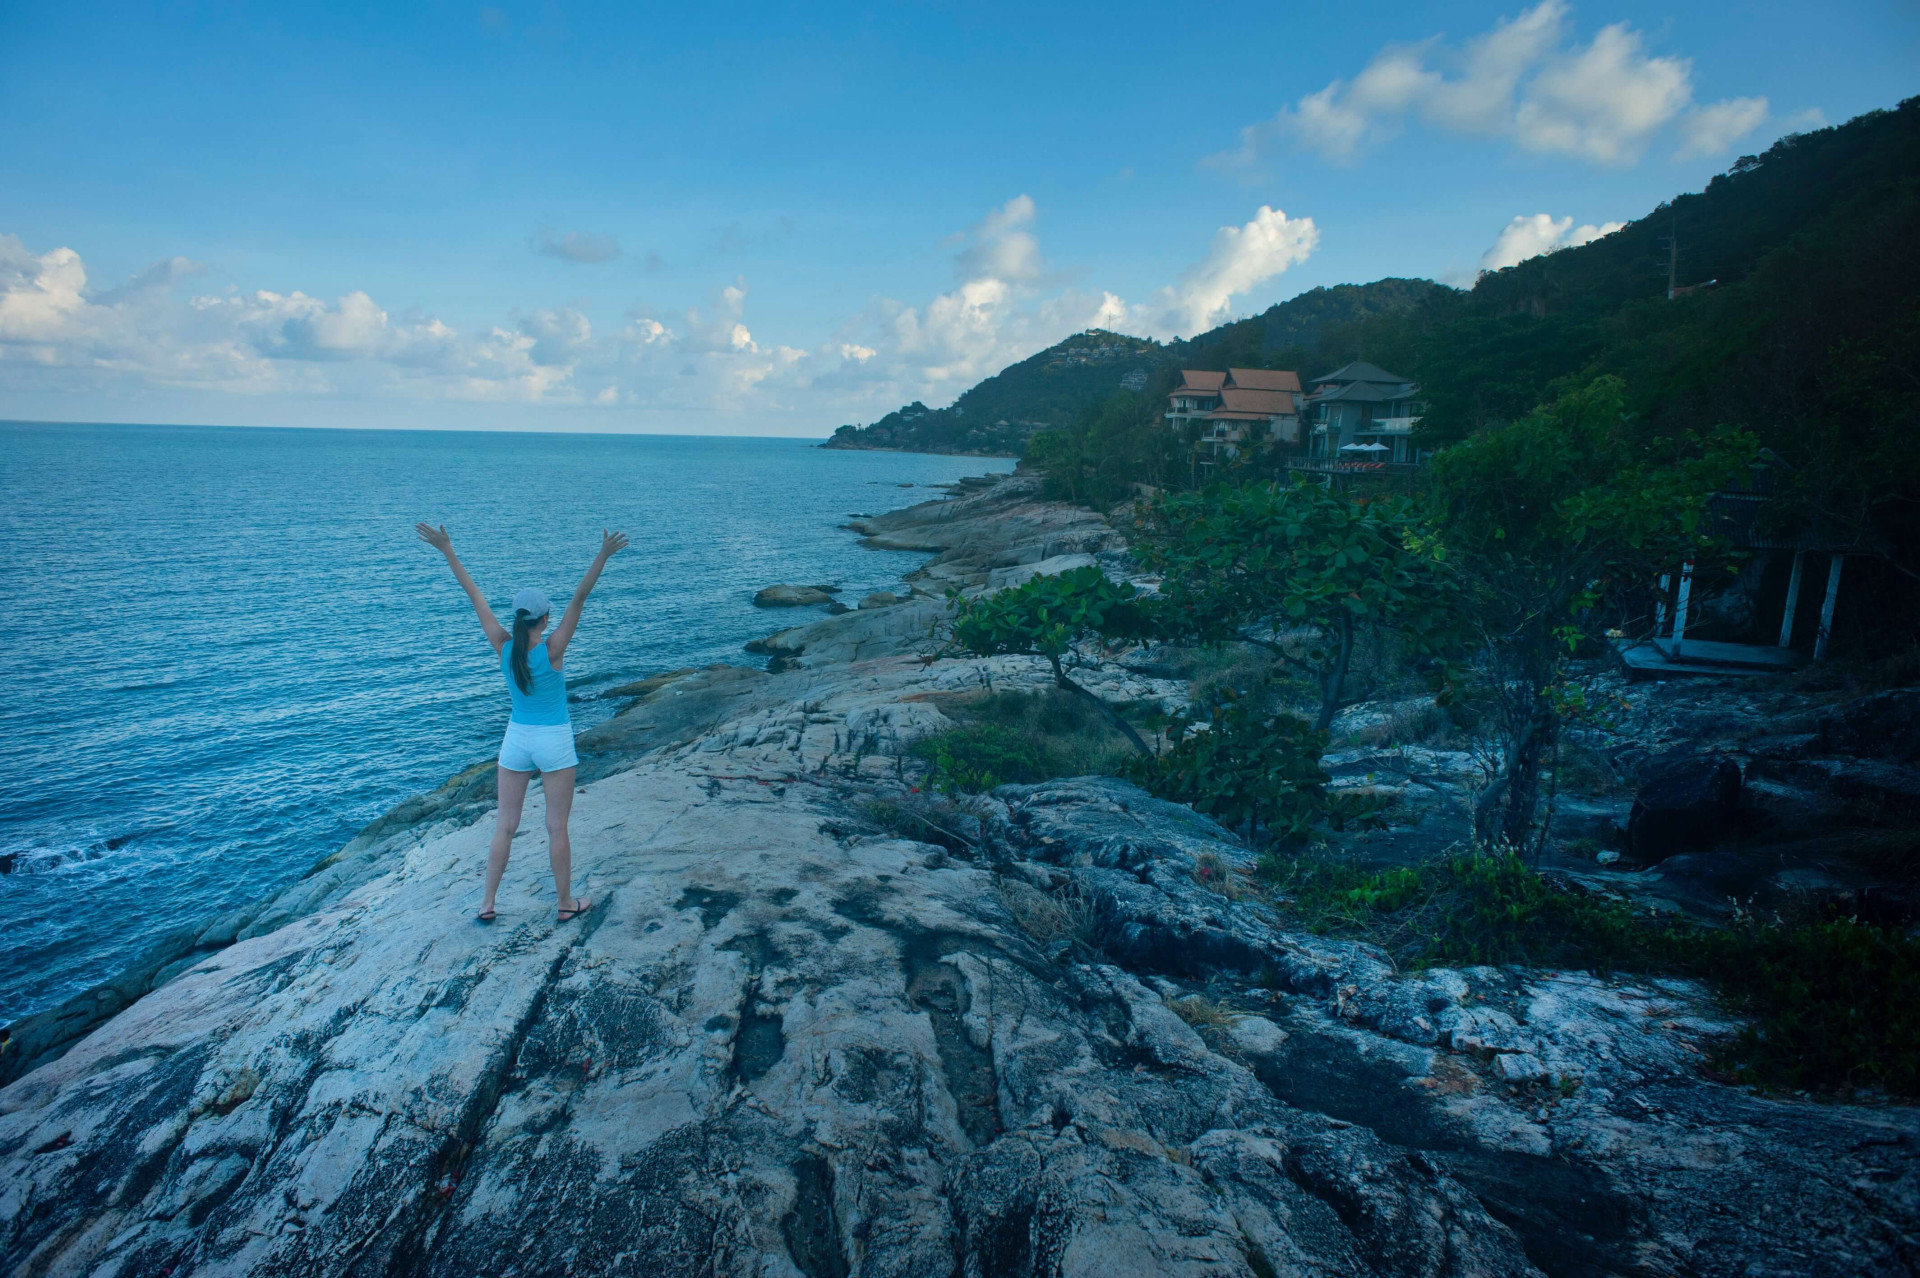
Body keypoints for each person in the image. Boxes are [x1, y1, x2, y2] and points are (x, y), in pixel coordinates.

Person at [415, 523, 629, 923]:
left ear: (517, 619)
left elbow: (473, 594)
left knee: (505, 827)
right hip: (554, 741)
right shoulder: (553, 649)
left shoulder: (503, 645)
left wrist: (447, 550)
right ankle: (565, 905)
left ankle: (487, 904)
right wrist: (602, 556)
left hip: (516, 741)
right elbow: (580, 599)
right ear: (545, 619)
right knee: (556, 828)